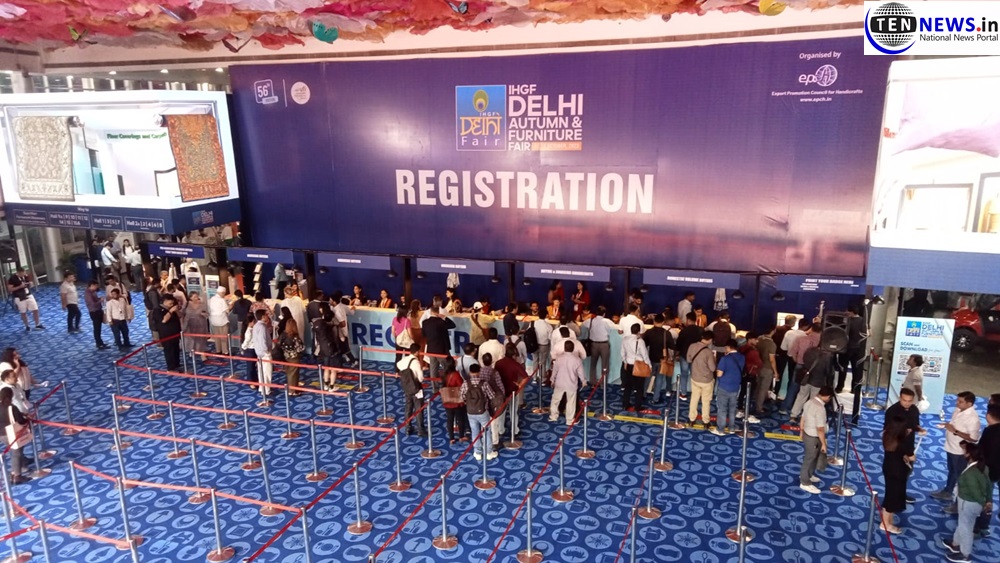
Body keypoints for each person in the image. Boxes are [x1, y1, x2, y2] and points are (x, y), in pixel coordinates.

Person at [943, 442, 992, 563]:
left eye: (965, 451)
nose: (963, 452)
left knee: (966, 528)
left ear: (969, 455)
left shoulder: (971, 474)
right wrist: (988, 501)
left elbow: (976, 493)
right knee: (963, 523)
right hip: (971, 503)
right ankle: (955, 543)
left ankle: (965, 554)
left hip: (968, 503)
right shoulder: (983, 467)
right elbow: (989, 486)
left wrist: (984, 505)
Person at [933, 392, 983, 507]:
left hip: (960, 451)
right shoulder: (958, 409)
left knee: (959, 475)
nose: (957, 403)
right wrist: (947, 425)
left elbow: (973, 438)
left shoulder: (973, 419)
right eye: (957, 400)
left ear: (969, 404)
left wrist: (955, 431)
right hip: (950, 447)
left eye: (960, 402)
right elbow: (953, 423)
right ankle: (948, 491)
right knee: (952, 470)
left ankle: (958, 503)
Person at [880, 415, 915, 534]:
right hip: (898, 471)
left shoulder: (887, 436)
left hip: (889, 467)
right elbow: (912, 457)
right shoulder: (903, 442)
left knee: (890, 494)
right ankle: (885, 524)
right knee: (892, 497)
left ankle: (888, 520)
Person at [799, 386, 834, 494]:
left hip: (806, 433)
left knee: (812, 457)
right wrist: (824, 444)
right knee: (810, 458)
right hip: (813, 437)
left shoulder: (809, 402)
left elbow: (803, 417)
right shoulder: (820, 408)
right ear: (828, 397)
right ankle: (805, 482)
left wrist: (801, 431)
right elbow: (820, 429)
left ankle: (808, 474)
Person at [974, 404, 1000, 537]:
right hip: (996, 472)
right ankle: (984, 526)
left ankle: (980, 527)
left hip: (986, 470)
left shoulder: (989, 431)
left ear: (988, 415)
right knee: (988, 497)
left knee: (983, 499)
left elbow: (982, 451)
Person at [462, 363, 497, 461]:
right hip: (482, 411)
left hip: (470, 411)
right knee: (487, 432)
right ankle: (489, 452)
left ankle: (477, 452)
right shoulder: (484, 383)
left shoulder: (465, 383)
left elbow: (462, 396)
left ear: (470, 372)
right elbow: (492, 396)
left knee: (474, 431)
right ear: (479, 372)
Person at [550, 340, 586, 424]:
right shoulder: (577, 360)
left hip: (559, 383)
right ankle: (569, 420)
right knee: (571, 402)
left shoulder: (559, 358)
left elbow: (554, 371)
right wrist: (583, 381)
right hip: (571, 384)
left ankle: (553, 416)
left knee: (555, 400)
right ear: (573, 349)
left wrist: (552, 380)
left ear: (564, 348)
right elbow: (580, 373)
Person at [0, 386, 31, 485]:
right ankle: (17, 475)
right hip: (12, 433)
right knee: (17, 453)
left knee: (14, 451)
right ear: (11, 395)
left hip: (1, 434)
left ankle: (19, 468)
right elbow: (20, 421)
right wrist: (27, 420)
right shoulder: (11, 407)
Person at [713, 339, 745, 435]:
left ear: (728, 347)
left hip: (724, 386)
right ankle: (731, 427)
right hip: (736, 386)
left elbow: (719, 374)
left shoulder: (725, 359)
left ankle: (720, 429)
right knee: (732, 408)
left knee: (722, 408)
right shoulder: (742, 357)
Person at [495, 344, 527, 436]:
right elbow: (525, 377)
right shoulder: (515, 364)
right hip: (513, 391)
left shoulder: (498, 363)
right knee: (514, 411)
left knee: (501, 412)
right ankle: (515, 430)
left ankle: (500, 430)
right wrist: (520, 385)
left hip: (501, 391)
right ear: (513, 355)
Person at [687, 330, 717, 428]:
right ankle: (705, 421)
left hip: (695, 377)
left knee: (694, 398)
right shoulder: (708, 352)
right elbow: (712, 368)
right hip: (706, 380)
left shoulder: (692, 346)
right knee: (706, 401)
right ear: (710, 340)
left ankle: (691, 419)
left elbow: (688, 359)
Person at [643, 314, 674, 406]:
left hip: (651, 358)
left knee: (647, 377)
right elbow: (672, 346)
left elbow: (644, 344)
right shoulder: (666, 333)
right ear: (663, 322)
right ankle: (655, 398)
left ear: (654, 321)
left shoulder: (649, 332)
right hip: (662, 360)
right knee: (659, 379)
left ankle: (643, 394)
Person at [620, 323, 650, 413]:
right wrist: (649, 365)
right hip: (639, 365)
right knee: (639, 387)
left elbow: (622, 352)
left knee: (628, 386)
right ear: (638, 331)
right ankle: (637, 406)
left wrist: (625, 361)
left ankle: (625, 404)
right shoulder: (640, 341)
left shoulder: (625, 339)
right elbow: (645, 355)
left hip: (629, 365)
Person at [397, 344, 426, 437]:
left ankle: (408, 427)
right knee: (419, 408)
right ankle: (420, 430)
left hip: (407, 387)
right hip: (417, 388)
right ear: (417, 352)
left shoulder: (404, 360)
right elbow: (421, 378)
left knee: (408, 407)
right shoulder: (416, 362)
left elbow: (398, 365)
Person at [422, 306, 456, 382]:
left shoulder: (425, 322)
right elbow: (453, 325)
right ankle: (447, 383)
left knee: (433, 370)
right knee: (447, 367)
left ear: (430, 312)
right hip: (442, 350)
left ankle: (434, 387)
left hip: (431, 349)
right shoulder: (441, 322)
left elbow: (424, 335)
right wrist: (444, 317)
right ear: (438, 312)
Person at [7, 266, 43, 332]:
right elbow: (10, 289)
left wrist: (30, 284)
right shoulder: (12, 278)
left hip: (28, 294)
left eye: (24, 273)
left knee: (35, 309)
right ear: (18, 272)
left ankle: (37, 324)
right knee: (23, 312)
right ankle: (27, 326)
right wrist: (20, 287)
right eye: (22, 273)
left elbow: (29, 284)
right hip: (19, 297)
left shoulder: (25, 276)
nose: (24, 274)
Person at [442, 356, 469, 444]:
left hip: (447, 400)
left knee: (449, 419)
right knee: (460, 418)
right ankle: (461, 436)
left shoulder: (443, 374)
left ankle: (451, 438)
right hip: (456, 401)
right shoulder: (456, 375)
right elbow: (461, 385)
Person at [675, 313, 701, 401]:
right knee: (696, 375)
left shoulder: (683, 331)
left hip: (684, 355)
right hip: (696, 356)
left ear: (688, 320)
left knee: (684, 374)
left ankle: (683, 393)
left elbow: (678, 345)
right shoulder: (700, 330)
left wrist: (677, 355)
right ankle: (696, 393)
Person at [584, 306, 613, 386]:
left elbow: (584, 324)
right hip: (604, 344)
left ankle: (593, 382)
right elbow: (613, 328)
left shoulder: (591, 320)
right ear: (604, 314)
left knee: (593, 364)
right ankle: (603, 384)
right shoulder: (607, 321)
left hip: (594, 344)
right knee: (605, 365)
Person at [754, 327, 778, 420]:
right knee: (763, 389)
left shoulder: (759, 339)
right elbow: (772, 360)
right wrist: (775, 372)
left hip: (757, 367)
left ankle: (755, 403)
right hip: (767, 368)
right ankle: (759, 408)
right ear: (773, 331)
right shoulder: (772, 344)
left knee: (758, 386)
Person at [279, 318, 305, 393]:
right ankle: (292, 391)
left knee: (289, 373)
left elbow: (280, 345)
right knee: (293, 374)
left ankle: (294, 388)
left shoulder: (283, 335)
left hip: (286, 356)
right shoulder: (295, 337)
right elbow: (300, 348)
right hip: (294, 357)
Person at [157, 295, 183, 371]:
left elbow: (180, 316)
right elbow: (164, 320)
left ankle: (176, 364)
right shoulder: (158, 310)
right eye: (170, 303)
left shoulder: (171, 309)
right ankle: (171, 367)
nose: (171, 305)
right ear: (164, 301)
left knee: (176, 350)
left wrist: (176, 310)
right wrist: (171, 311)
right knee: (169, 351)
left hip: (175, 334)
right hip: (166, 335)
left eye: (172, 303)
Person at [252, 309, 274, 395]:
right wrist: (267, 351)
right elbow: (263, 340)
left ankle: (262, 388)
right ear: (263, 316)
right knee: (267, 372)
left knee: (261, 371)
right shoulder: (262, 327)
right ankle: (266, 390)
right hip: (264, 353)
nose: (267, 316)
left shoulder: (256, 326)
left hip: (259, 352)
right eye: (266, 315)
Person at [209, 287, 232, 354]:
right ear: (222, 293)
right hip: (222, 321)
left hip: (214, 321)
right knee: (223, 337)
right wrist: (231, 306)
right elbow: (227, 310)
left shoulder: (212, 299)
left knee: (217, 337)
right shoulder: (222, 300)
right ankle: (225, 351)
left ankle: (218, 350)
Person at [241, 314, 259, 387]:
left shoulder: (252, 329)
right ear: (250, 322)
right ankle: (251, 382)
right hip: (250, 350)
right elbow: (246, 341)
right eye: (254, 321)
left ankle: (255, 380)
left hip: (253, 349)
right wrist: (243, 348)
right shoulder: (249, 331)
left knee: (253, 366)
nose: (255, 323)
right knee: (250, 367)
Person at [143, 276, 162, 342]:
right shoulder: (153, 292)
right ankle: (158, 341)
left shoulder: (152, 290)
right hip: (155, 311)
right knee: (155, 325)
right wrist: (158, 311)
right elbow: (155, 303)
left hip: (153, 311)